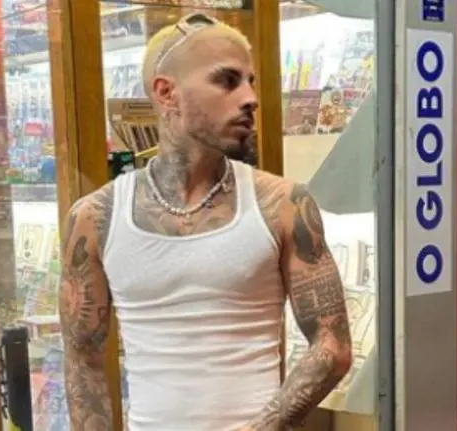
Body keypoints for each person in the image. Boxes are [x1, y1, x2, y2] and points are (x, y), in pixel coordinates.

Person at [59, 13, 352, 431]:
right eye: (227, 81)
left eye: (250, 81)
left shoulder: (282, 204)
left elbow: (332, 345)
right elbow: (82, 360)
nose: (250, 97)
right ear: (167, 92)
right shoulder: (96, 217)